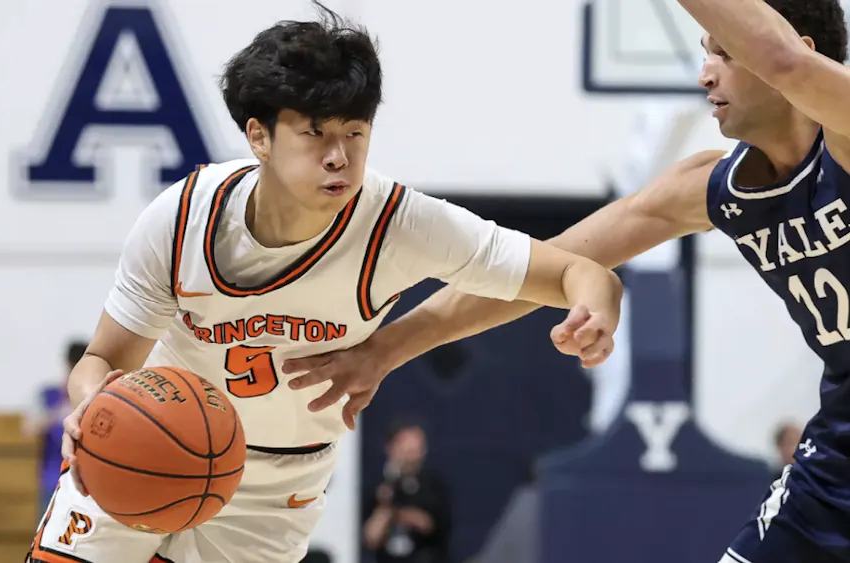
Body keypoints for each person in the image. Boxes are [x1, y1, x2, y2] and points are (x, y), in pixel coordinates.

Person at [26, 3, 624, 562]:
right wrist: (88, 407)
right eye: (316, 132)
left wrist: (594, 308)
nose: (340, 155)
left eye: (355, 132)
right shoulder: (181, 219)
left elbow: (579, 270)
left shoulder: (399, 224)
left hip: (277, 483)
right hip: (144, 447)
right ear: (258, 135)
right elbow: (102, 360)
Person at [283, 0, 850, 561]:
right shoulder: (713, 186)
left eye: (725, 52)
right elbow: (529, 269)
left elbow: (784, 64)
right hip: (835, 458)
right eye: (706, 53)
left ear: (802, 49)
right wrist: (384, 350)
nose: (705, 73)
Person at [363, 418, 451, 563]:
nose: (412, 457)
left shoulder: (433, 486)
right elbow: (371, 536)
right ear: (391, 448)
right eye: (406, 451)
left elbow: (427, 524)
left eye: (416, 451)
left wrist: (397, 515)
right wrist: (386, 503)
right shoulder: (376, 488)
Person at [22, 340, 87, 517]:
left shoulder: (93, 396)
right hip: (53, 480)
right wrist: (59, 412)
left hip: (86, 481)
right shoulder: (48, 395)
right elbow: (29, 429)